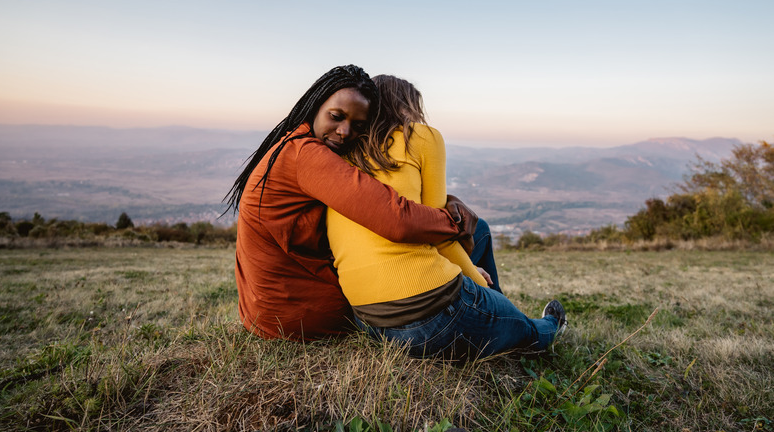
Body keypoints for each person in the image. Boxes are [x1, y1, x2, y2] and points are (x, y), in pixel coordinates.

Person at [224, 65, 477, 341]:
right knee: (478, 232)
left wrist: (449, 203)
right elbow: (396, 218)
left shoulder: (293, 143)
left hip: (263, 312)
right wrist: (455, 221)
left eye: (358, 126)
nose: (344, 132)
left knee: (480, 231)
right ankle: (486, 304)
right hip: (299, 314)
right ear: (316, 104)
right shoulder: (307, 155)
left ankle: (482, 297)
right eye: (336, 116)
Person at [326, 75, 567, 361]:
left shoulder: (343, 151)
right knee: (529, 332)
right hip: (430, 320)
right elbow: (438, 234)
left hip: (369, 321)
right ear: (408, 106)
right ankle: (544, 327)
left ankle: (499, 307)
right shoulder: (420, 136)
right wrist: (475, 278)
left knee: (480, 230)